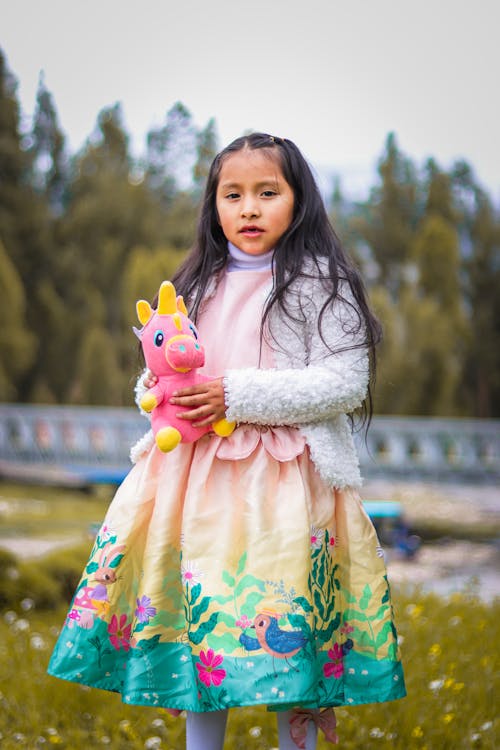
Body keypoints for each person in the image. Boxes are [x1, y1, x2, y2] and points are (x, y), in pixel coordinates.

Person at [48, 133, 406, 749]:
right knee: (203, 627)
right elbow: (166, 366)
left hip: (287, 487)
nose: (249, 208)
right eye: (232, 194)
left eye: (268, 193)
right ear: (213, 205)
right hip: (199, 487)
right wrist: (156, 394)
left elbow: (346, 381)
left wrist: (234, 396)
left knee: (286, 624)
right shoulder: (195, 284)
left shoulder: (320, 283)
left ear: (299, 202)